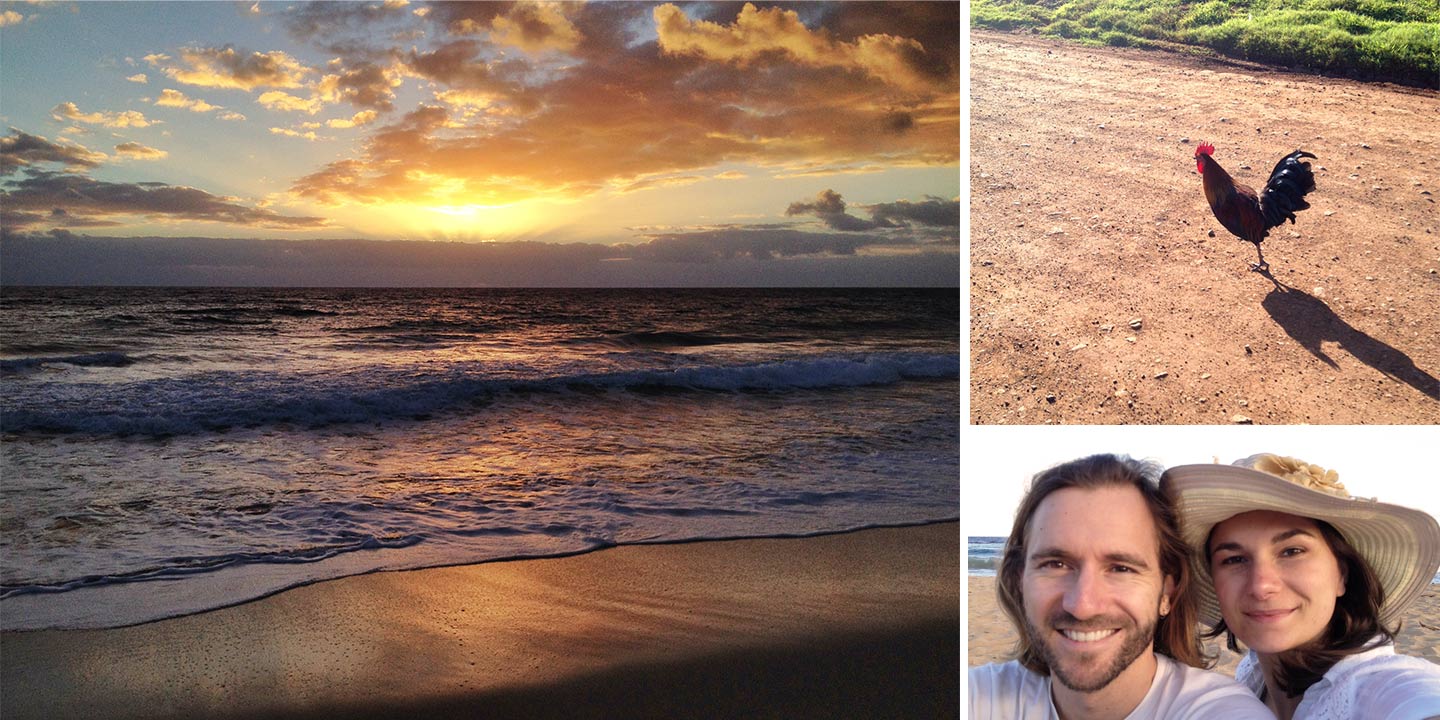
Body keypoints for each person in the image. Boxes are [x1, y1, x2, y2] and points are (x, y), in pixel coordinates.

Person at [969, 454, 1271, 720]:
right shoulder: (977, 695)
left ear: (1167, 592)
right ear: (1019, 581)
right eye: (1055, 564)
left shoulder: (1219, 711)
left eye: (1121, 568)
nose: (1083, 605)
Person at [1162, 453, 1440, 720]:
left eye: (1292, 551)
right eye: (1234, 559)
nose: (1261, 586)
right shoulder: (1254, 671)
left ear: (1342, 574)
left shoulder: (1380, 687)